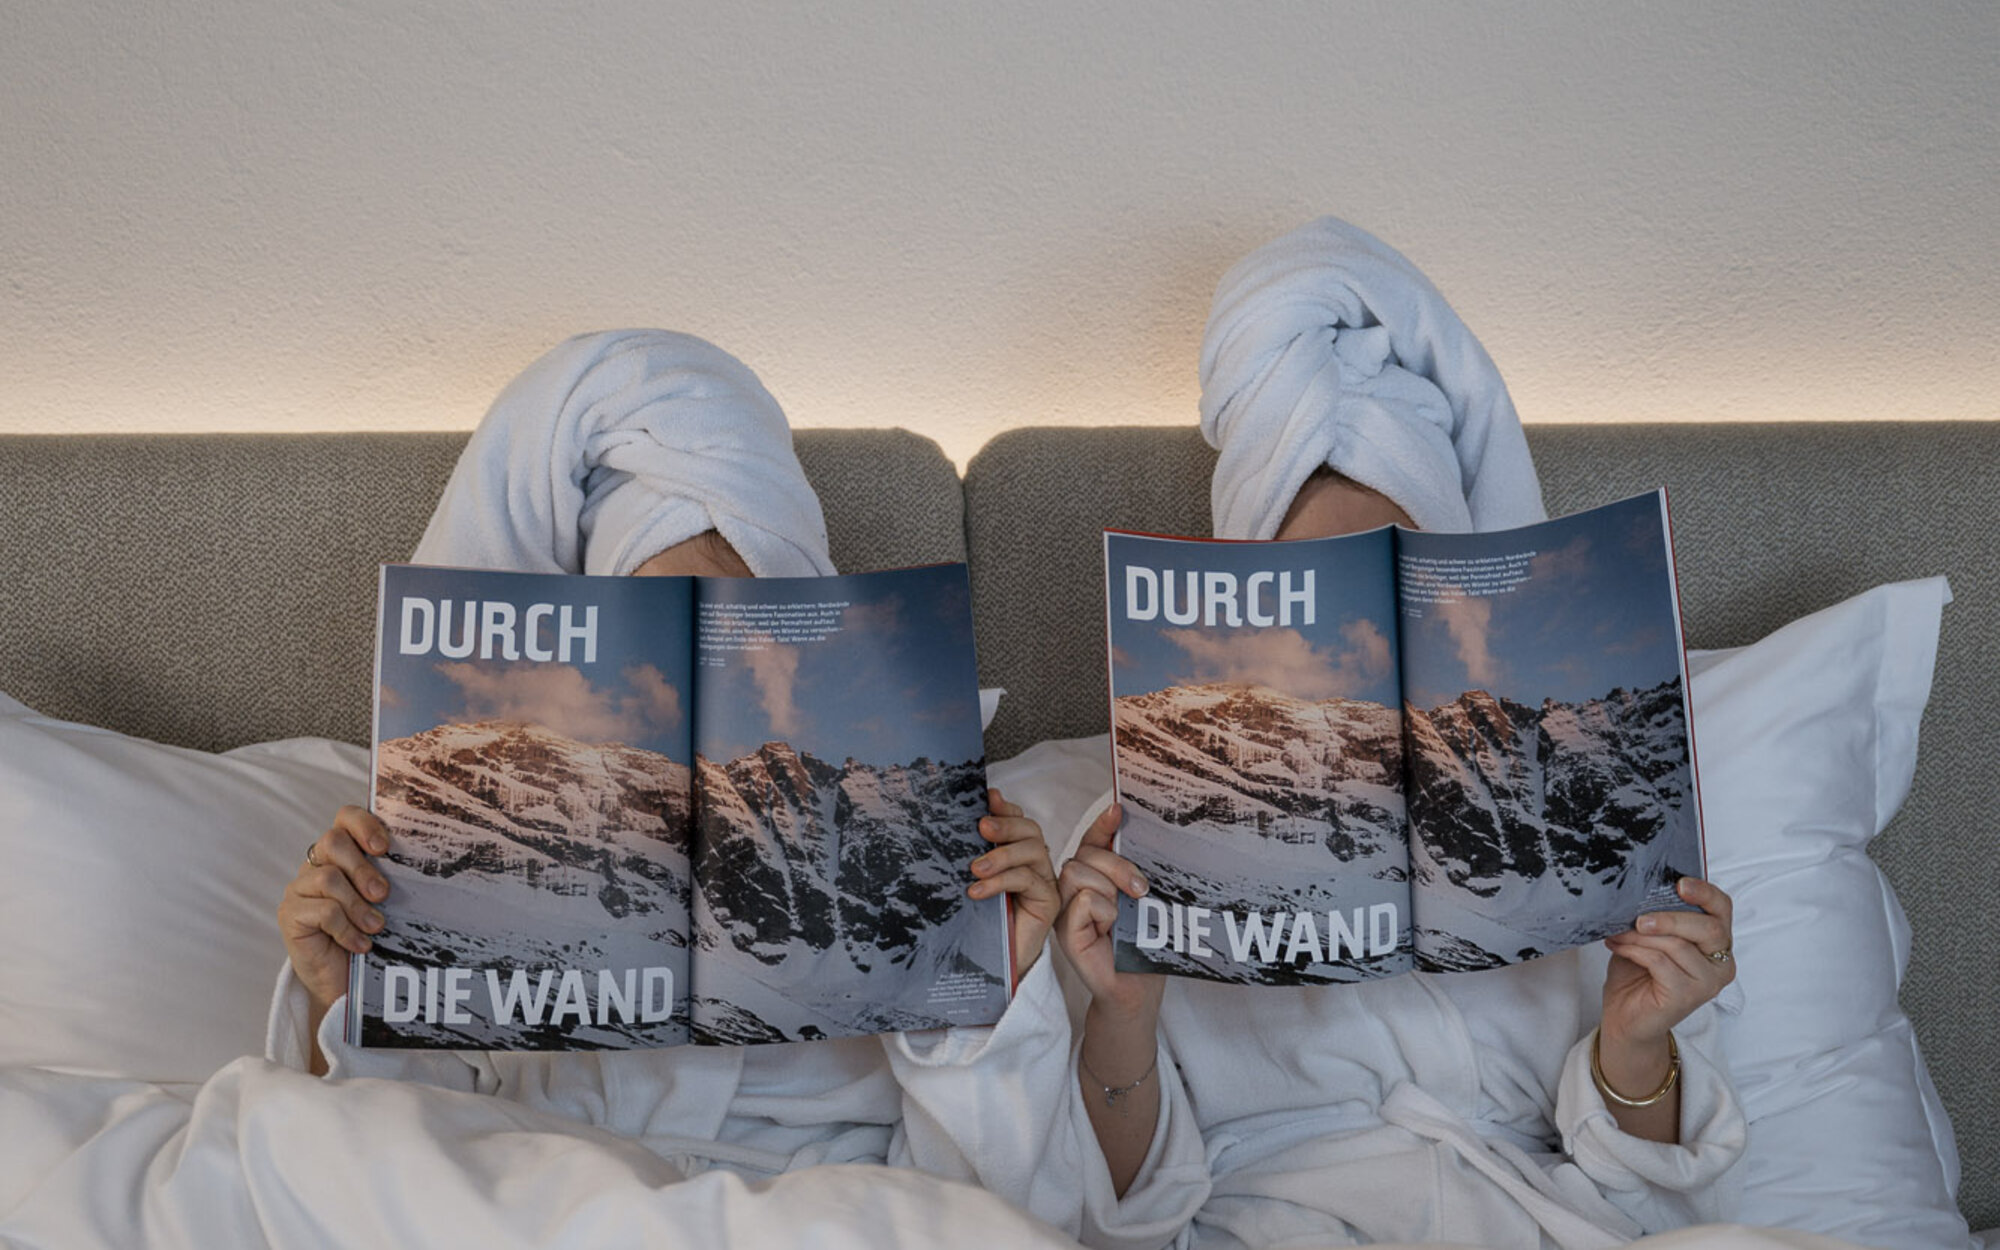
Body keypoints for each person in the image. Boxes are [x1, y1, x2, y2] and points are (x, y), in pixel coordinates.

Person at [270, 329, 1085, 1226]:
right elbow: (379, 1177)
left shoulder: (908, 824)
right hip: (548, 1203)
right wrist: (341, 998)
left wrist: (999, 987)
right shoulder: (459, 832)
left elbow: (1003, 1204)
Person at [1051, 219, 1747, 1248]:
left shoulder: (1593, 788)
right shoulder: (1132, 833)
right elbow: (1118, 1223)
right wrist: (1123, 1015)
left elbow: (1661, 1207)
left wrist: (1635, 1039)